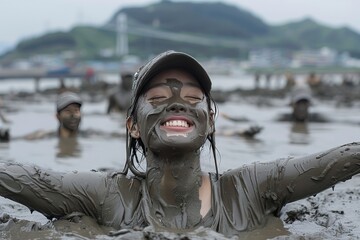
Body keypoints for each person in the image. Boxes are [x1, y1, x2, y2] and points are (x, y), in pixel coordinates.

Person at [0, 50, 359, 239]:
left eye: (193, 96)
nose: (178, 104)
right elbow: (31, 178)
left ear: (211, 120)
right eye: (157, 97)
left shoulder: (249, 190)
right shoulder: (110, 196)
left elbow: (332, 162)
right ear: (133, 126)